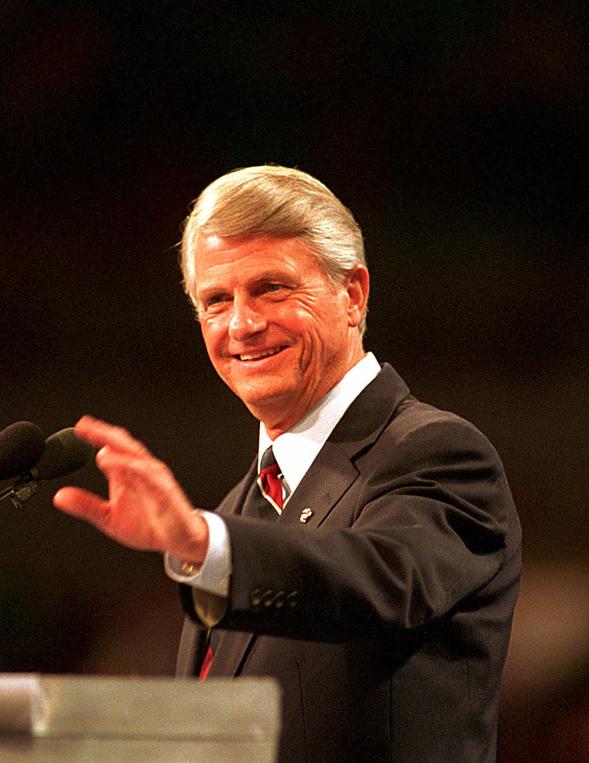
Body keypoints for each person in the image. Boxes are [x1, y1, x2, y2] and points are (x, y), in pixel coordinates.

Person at [53, 165, 522, 761]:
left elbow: (376, 579)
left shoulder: (437, 453)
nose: (242, 325)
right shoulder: (237, 509)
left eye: (271, 288)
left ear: (352, 295)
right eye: (216, 301)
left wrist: (203, 542)